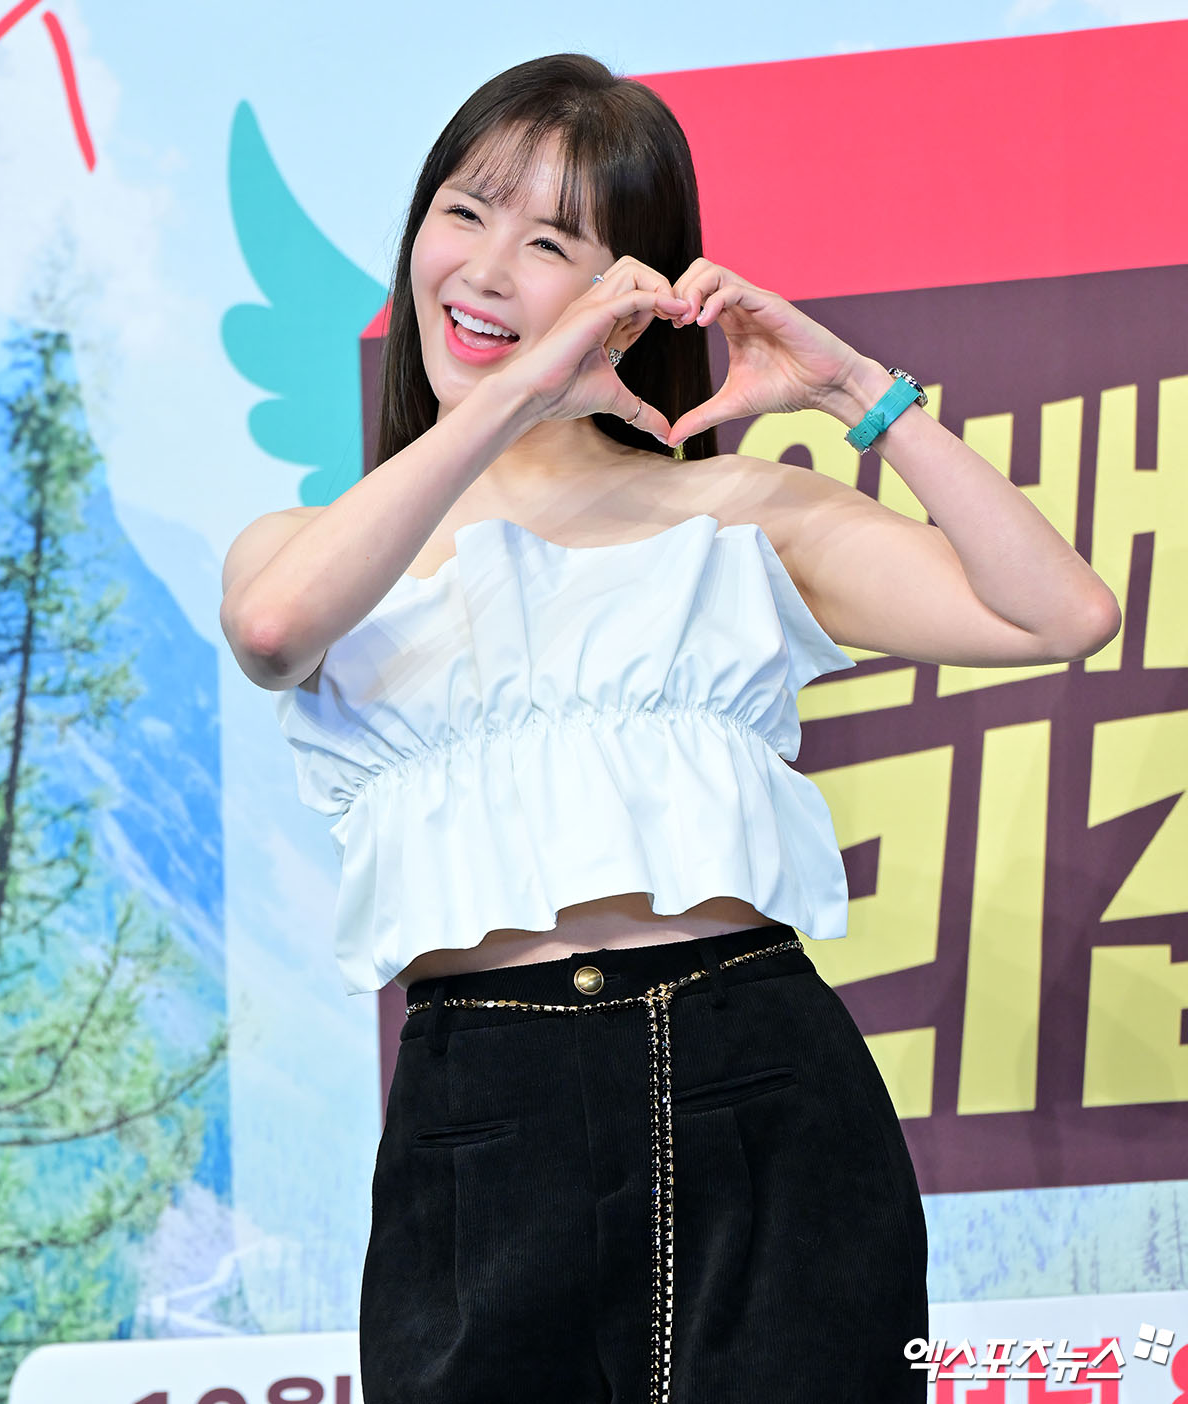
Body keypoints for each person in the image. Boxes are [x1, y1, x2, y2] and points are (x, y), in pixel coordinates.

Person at [219, 52, 1120, 1404]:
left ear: (627, 296)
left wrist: (855, 391)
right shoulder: (310, 547)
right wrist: (511, 400)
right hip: (480, 1118)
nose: (485, 270)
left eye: (550, 243)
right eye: (465, 213)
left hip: (756, 1087)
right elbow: (275, 631)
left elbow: (1061, 614)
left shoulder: (735, 516)